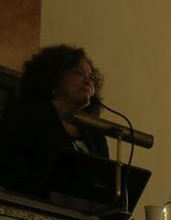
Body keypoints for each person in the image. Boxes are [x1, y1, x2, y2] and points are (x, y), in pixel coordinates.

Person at [0, 45, 110, 197]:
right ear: (54, 77)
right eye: (79, 72)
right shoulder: (24, 115)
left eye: (91, 77)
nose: (88, 81)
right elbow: (12, 172)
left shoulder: (95, 133)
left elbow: (104, 184)